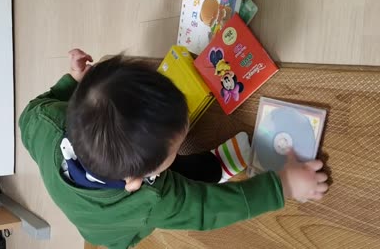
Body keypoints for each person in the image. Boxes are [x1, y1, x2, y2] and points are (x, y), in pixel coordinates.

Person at [19, 49, 329, 249]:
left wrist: (73, 80)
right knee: (187, 183)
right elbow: (211, 209)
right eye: (176, 145)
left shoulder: (45, 123)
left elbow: (29, 112)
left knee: (171, 171)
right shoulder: (151, 201)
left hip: (81, 204)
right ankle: (216, 168)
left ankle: (199, 164)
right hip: (114, 234)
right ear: (136, 181)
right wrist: (285, 184)